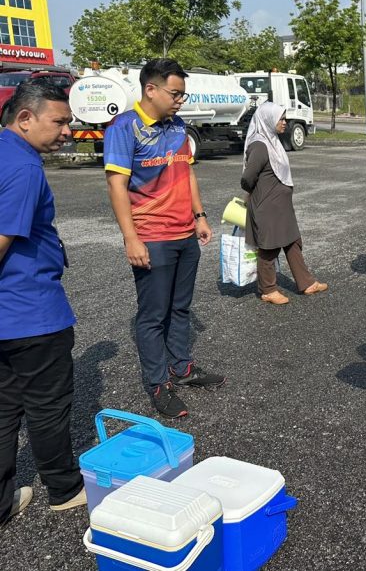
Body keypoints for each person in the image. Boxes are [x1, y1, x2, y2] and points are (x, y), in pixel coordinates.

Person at [104, 58, 224, 420]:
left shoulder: (177, 126)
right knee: (154, 315)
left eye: (183, 95)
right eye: (175, 93)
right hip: (152, 236)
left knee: (180, 307)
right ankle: (158, 384)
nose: (180, 101)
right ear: (150, 89)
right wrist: (131, 238)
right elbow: (116, 184)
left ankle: (182, 369)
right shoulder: (125, 127)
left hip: (185, 234)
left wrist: (199, 215)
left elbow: (185, 172)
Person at [0, 80, 87, 524]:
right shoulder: (23, 168)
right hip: (31, 312)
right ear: (25, 118)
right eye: (60, 121)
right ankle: (64, 488)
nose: (68, 130)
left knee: (3, 408)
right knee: (47, 406)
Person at [240, 101, 327, 305]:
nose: (285, 122)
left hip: (280, 206)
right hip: (267, 206)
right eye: (281, 118)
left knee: (292, 242)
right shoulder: (260, 145)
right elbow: (247, 178)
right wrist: (253, 191)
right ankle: (268, 289)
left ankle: (306, 283)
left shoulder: (272, 141)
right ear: (268, 120)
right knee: (269, 247)